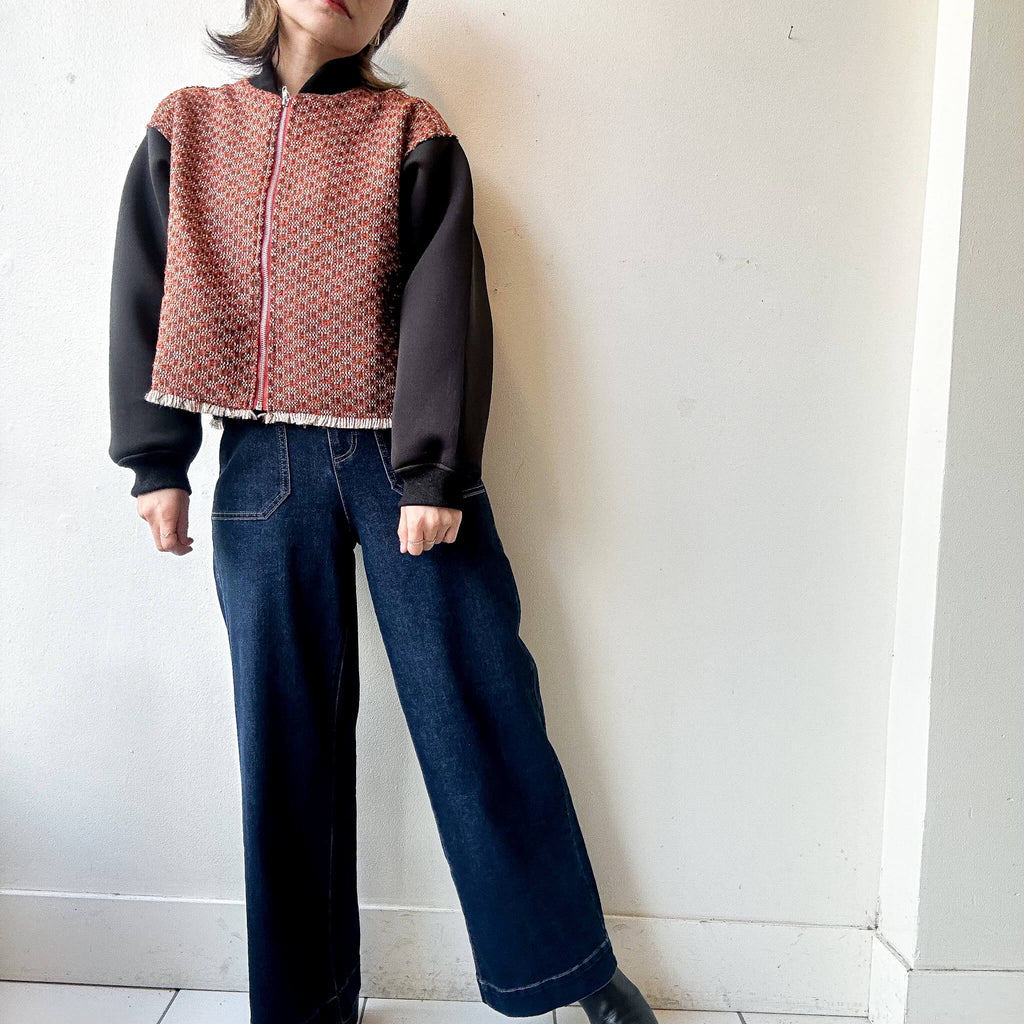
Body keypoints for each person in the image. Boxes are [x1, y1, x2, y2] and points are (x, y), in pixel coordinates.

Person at [108, 2, 658, 1023]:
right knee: (284, 739)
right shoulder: (187, 125)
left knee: (477, 701)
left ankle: (570, 971)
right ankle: (306, 1005)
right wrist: (155, 462)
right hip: (259, 465)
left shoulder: (408, 131)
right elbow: (145, 286)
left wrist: (434, 472)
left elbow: (448, 299)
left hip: (400, 458)